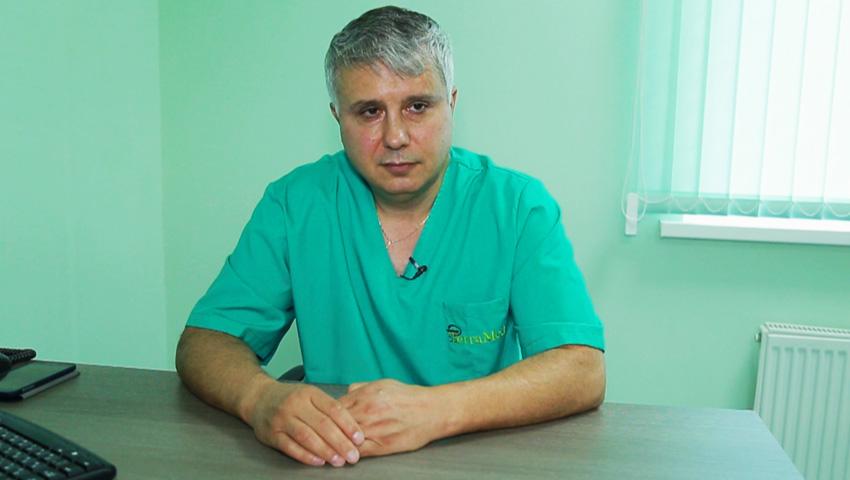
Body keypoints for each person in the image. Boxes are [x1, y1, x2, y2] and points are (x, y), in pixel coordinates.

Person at [175, 5, 605, 469]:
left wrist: (437, 411)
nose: (395, 136)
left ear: (452, 103)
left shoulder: (517, 207)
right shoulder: (294, 205)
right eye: (369, 111)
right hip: (337, 461)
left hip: (476, 460)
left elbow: (582, 369)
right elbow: (204, 342)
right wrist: (259, 398)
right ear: (337, 117)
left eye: (418, 106)